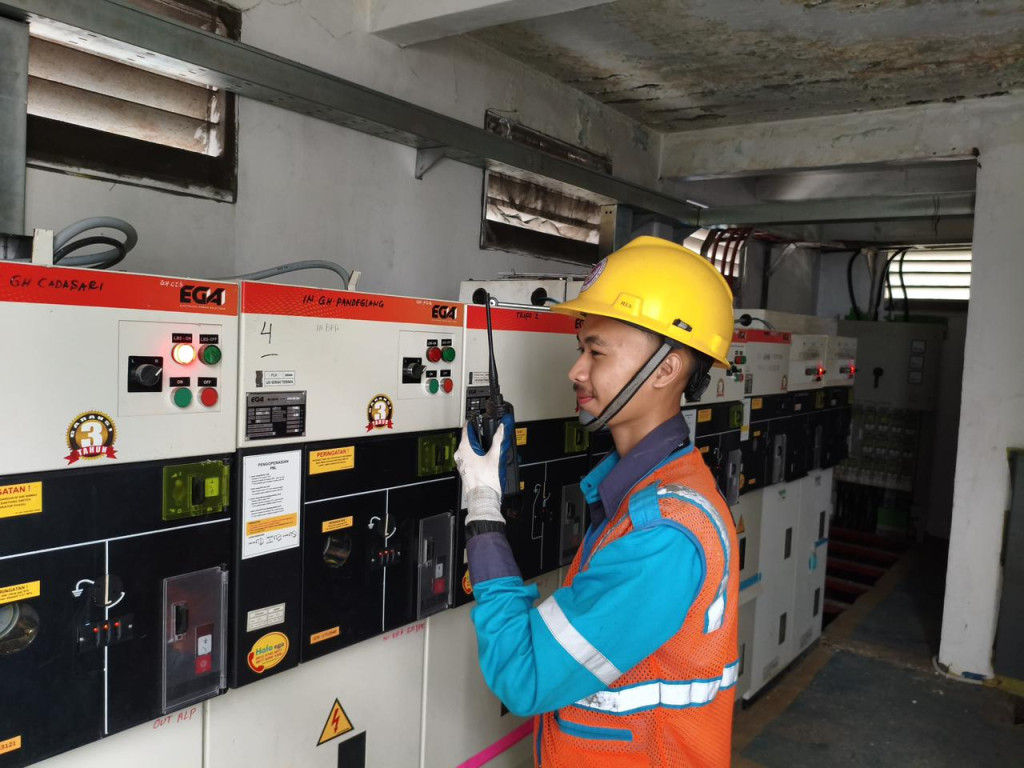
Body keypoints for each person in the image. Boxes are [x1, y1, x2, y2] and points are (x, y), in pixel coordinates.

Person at [455, 235, 740, 767]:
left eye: (596, 352)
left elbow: (526, 676)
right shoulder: (644, 493)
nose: (576, 371)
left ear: (665, 369)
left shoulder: (663, 533)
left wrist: (483, 507)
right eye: (579, 348)